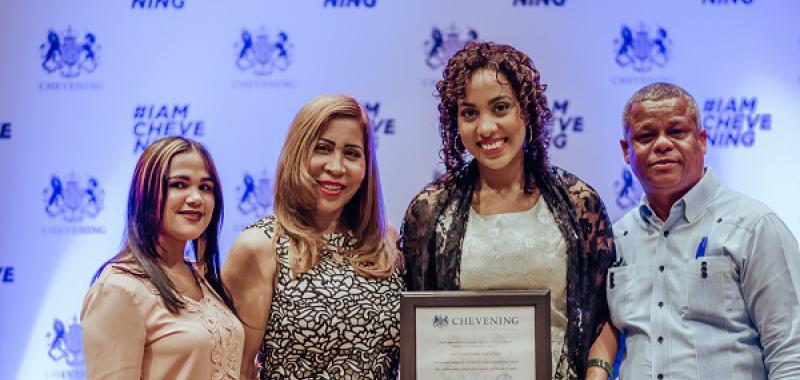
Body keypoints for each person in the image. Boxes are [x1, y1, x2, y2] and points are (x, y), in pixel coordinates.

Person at [400, 41, 617, 380]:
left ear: (525, 112)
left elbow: (604, 313)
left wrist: (597, 373)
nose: (486, 128)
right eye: (470, 113)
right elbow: (418, 325)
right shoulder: (428, 212)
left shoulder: (579, 203)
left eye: (499, 108)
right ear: (455, 123)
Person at [609, 82, 800, 379]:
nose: (662, 144)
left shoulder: (753, 226)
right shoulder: (617, 238)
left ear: (702, 140)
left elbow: (791, 350)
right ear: (626, 150)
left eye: (676, 132)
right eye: (646, 136)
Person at [223, 94, 403, 379]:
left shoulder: (384, 240)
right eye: (323, 149)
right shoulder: (259, 247)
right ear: (297, 154)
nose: (336, 166)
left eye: (352, 153)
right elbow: (237, 368)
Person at [81, 137, 243, 379]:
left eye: (205, 187)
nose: (196, 198)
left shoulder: (198, 275)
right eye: (179, 185)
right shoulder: (118, 289)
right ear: (146, 194)